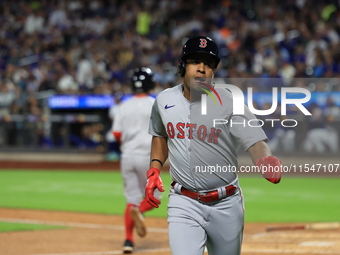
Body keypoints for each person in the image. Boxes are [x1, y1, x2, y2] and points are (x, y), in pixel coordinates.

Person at [145, 36, 282, 255]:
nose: (202, 69)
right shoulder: (164, 100)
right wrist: (154, 167)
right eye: (195, 62)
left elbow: (255, 141)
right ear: (182, 66)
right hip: (183, 202)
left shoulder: (229, 101)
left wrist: (265, 158)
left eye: (208, 64)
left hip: (226, 204)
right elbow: (160, 135)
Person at [112, 67, 158, 254]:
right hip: (148, 157)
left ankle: (128, 241)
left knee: (131, 199)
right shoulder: (155, 104)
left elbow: (116, 133)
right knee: (153, 198)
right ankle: (138, 211)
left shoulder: (124, 105)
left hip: (127, 156)